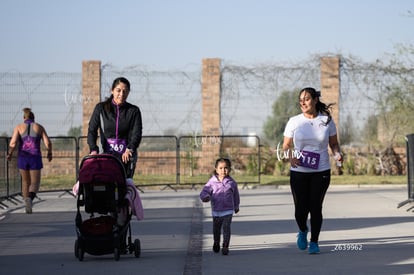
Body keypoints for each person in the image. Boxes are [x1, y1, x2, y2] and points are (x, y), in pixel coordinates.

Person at [282, 87, 343, 254]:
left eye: (307, 99)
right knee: (300, 211)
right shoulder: (294, 121)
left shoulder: (326, 121)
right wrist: (290, 157)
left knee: (315, 207)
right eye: (300, 99)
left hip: (321, 170)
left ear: (315, 100)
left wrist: (337, 155)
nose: (303, 102)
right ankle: (302, 230)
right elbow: (286, 145)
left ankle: (314, 242)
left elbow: (334, 144)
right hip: (299, 170)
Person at [87, 77, 143, 178]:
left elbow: (137, 133)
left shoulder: (134, 111)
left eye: (125, 91)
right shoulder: (100, 108)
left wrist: (130, 148)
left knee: (124, 186)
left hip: (125, 155)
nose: (121, 94)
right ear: (112, 90)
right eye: (118, 90)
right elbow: (92, 130)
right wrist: (93, 149)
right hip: (104, 154)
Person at [7, 108, 52, 214]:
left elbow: (12, 143)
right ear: (33, 118)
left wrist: (10, 153)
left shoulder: (19, 127)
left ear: (24, 118)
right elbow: (48, 143)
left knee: (25, 182)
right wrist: (49, 153)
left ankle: (26, 202)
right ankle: (30, 199)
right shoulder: (39, 127)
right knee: (35, 183)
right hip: (35, 157)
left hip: (22, 157)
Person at [200, 157, 240, 255]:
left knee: (226, 228)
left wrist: (236, 206)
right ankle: (216, 242)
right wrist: (205, 197)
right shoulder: (212, 182)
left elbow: (236, 195)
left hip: (228, 210)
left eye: (226, 168)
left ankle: (225, 245)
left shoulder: (232, 183)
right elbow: (205, 191)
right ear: (216, 169)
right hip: (216, 210)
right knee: (216, 229)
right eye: (221, 168)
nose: (223, 170)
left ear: (230, 169)